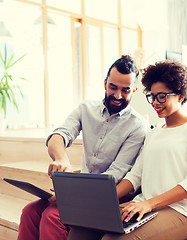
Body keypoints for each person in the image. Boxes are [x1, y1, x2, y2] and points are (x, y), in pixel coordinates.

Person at [67, 60, 187, 240]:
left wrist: (149, 204)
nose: (155, 103)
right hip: (144, 204)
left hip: (182, 212)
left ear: (180, 96)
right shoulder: (153, 133)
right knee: (82, 227)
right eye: (152, 96)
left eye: (162, 96)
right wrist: (101, 200)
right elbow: (135, 176)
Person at [17, 55, 147, 240]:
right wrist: (61, 158)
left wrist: (71, 194)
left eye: (125, 90)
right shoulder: (85, 109)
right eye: (113, 87)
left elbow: (115, 174)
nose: (118, 95)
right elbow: (59, 135)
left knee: (51, 217)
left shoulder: (137, 126)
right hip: (82, 191)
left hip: (113, 196)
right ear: (105, 83)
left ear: (134, 90)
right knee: (30, 211)